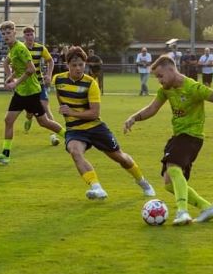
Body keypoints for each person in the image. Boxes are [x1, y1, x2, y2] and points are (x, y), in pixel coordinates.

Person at [123, 55, 213, 225]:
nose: (159, 80)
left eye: (160, 76)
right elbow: (153, 108)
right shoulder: (166, 89)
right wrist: (134, 118)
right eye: (156, 77)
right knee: (168, 183)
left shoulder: (193, 88)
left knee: (173, 167)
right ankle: (207, 207)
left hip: (191, 136)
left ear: (171, 70)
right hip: (178, 136)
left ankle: (182, 212)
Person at [53, 46, 155, 200]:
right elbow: (40, 80)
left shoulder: (91, 83)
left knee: (120, 158)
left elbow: (95, 113)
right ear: (67, 65)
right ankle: (97, 188)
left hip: (95, 127)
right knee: (75, 152)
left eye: (81, 65)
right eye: (74, 65)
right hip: (75, 130)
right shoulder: (58, 80)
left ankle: (142, 182)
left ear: (85, 64)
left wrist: (71, 112)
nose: (78, 68)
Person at [0, 21, 65, 165]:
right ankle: (5, 155)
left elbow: (31, 69)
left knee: (44, 122)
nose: (6, 36)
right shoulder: (12, 49)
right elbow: (20, 68)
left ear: (14, 33)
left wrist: (16, 82)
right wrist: (10, 77)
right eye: (3, 34)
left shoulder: (20, 48)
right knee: (8, 120)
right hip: (21, 92)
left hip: (31, 92)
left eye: (8, 33)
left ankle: (70, 137)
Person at [21, 26, 58, 142]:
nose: (29, 37)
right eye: (27, 35)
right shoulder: (20, 49)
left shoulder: (40, 48)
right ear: (24, 37)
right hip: (26, 85)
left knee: (46, 108)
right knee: (29, 112)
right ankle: (29, 118)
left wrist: (49, 74)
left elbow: (50, 60)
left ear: (34, 35)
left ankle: (53, 135)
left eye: (31, 34)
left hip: (39, 83)